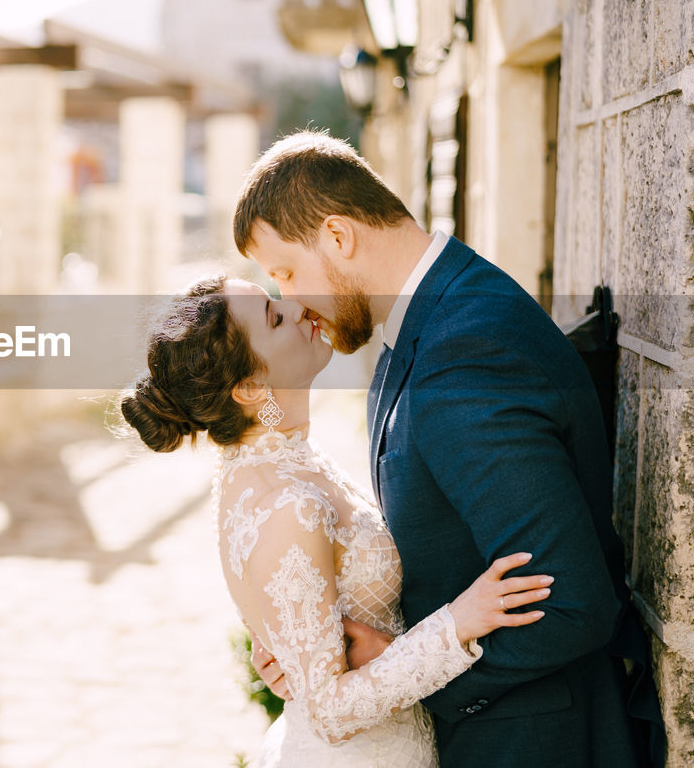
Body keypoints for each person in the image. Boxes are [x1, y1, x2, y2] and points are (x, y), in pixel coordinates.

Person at [234, 131, 644, 767]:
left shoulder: (466, 349)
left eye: (285, 272)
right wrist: (317, 641)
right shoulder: (417, 327)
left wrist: (405, 674)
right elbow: (439, 552)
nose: (290, 300)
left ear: (338, 237)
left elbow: (573, 604)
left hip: (532, 741)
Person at [120, 276, 554, 766]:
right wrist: (458, 625)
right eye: (274, 316)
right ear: (250, 387)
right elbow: (329, 712)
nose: (297, 308)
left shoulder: (284, 458)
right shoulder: (283, 503)